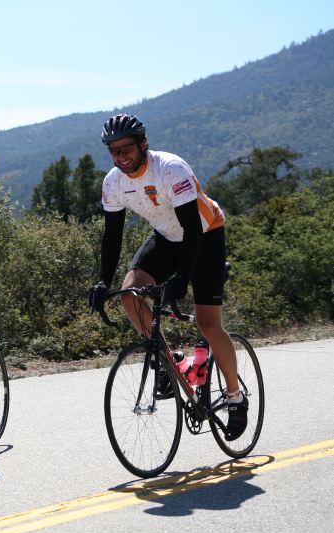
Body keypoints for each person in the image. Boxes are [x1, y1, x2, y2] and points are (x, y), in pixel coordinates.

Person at [87, 114, 248, 441]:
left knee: (208, 325)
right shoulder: (114, 182)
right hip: (165, 236)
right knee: (129, 294)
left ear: (143, 143)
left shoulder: (171, 169)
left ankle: (235, 398)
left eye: (126, 148)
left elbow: (192, 228)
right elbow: (112, 236)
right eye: (113, 151)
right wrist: (104, 280)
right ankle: (168, 361)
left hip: (204, 235)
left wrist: (183, 277)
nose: (120, 156)